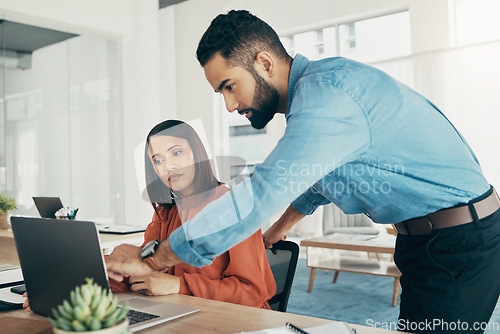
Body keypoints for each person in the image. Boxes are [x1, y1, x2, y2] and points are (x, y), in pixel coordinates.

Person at [106, 10, 500, 333]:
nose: (229, 106)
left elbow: (262, 192)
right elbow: (316, 181)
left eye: (230, 86)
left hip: (458, 241)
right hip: (430, 239)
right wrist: (278, 230)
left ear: (263, 62)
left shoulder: (327, 96)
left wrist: (154, 260)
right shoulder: (317, 93)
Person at [107, 119, 276, 309]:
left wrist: (179, 285)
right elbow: (146, 270)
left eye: (176, 153)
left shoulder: (234, 207)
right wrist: (109, 277)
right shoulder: (165, 211)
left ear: (197, 154)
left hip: (231, 319)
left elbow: (251, 292)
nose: (168, 166)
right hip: (178, 312)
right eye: (158, 161)